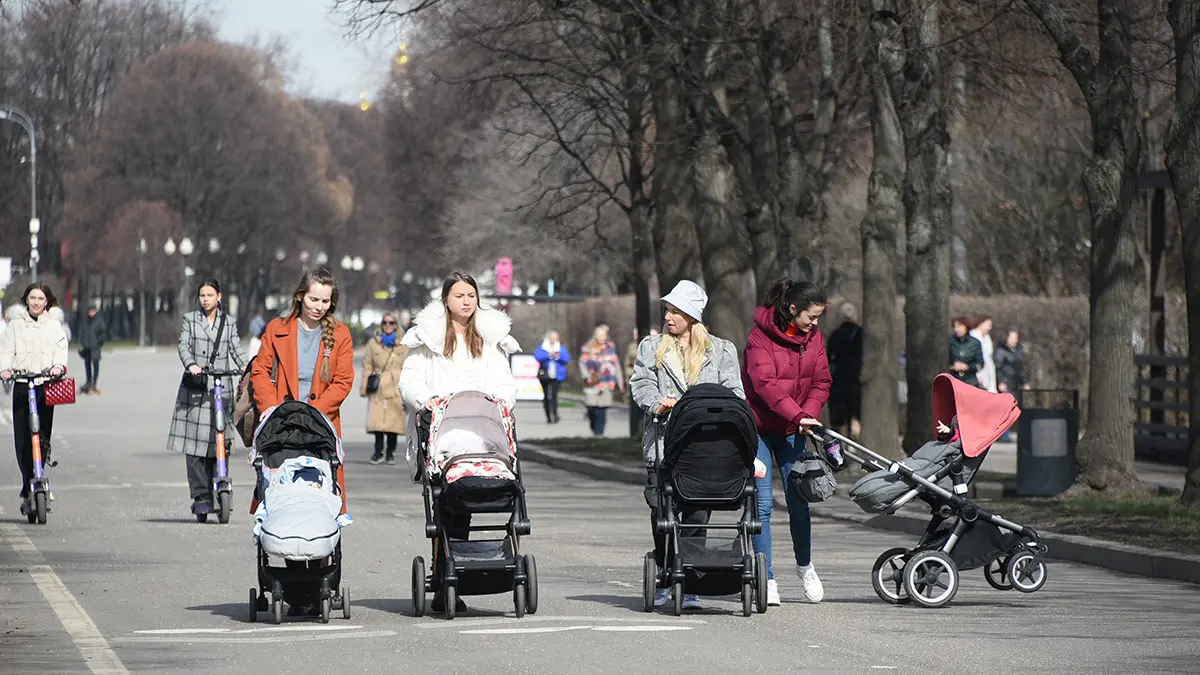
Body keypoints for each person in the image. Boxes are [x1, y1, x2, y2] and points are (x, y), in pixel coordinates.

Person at [399, 270, 520, 614]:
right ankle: (444, 576)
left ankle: (465, 568)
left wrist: (502, 400)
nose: (466, 301)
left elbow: (504, 380)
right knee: (448, 507)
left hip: (482, 436)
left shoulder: (490, 339)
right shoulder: (428, 340)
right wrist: (427, 401)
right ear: (446, 300)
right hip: (442, 434)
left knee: (470, 500)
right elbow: (409, 381)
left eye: (471, 295)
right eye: (459, 296)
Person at [630, 280, 744, 611]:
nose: (668, 316)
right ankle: (667, 572)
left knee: (696, 515)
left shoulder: (721, 351)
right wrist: (657, 403)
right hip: (663, 446)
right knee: (661, 515)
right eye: (667, 309)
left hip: (704, 449)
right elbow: (641, 383)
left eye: (676, 311)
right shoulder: (651, 347)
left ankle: (690, 582)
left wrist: (711, 410)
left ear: (692, 317)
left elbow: (735, 393)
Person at [742, 278, 832, 607]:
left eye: (819, 317)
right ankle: (766, 576)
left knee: (799, 500)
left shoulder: (814, 338)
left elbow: (822, 381)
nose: (815, 323)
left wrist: (806, 415)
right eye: (811, 316)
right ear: (792, 309)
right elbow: (764, 384)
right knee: (762, 506)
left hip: (795, 428)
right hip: (761, 428)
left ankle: (805, 566)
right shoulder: (759, 339)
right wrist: (797, 415)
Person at [251, 268, 356, 513]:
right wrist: (272, 411)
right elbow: (260, 372)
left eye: (325, 301)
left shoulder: (340, 334)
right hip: (282, 425)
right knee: (281, 491)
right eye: (313, 299)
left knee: (321, 491)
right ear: (299, 296)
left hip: (320, 425)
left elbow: (343, 381)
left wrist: (312, 415)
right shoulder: (277, 329)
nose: (319, 306)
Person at [166, 278, 249, 517]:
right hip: (197, 389)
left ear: (219, 297)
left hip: (221, 389)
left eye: (210, 295)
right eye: (202, 295)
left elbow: (235, 348)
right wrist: (191, 364)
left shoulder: (228, 322)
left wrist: (246, 367)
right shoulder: (190, 321)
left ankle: (218, 486)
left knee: (219, 442)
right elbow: (183, 346)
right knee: (195, 445)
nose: (205, 299)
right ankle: (201, 496)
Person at [0, 284, 69, 516]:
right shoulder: (15, 326)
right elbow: (5, 351)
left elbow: (61, 349)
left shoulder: (54, 326)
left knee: (42, 436)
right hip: (22, 385)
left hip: (44, 385)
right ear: (26, 300)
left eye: (41, 298)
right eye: (32, 298)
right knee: (23, 439)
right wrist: (5, 369)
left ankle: (38, 474)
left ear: (47, 301)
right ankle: (28, 480)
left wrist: (59, 366)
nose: (36, 302)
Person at [361, 311, 408, 465]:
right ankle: (378, 452)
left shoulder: (403, 344)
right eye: (385, 323)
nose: (388, 326)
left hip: (395, 386)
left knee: (392, 422)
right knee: (377, 422)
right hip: (378, 385)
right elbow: (367, 365)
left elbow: (409, 367)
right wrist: (365, 387)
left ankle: (390, 453)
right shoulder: (373, 343)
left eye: (391, 323)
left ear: (396, 325)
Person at [579, 322, 625, 436]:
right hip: (592, 383)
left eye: (603, 335)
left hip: (606, 383)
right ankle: (593, 425)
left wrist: (620, 382)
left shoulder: (610, 347)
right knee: (592, 408)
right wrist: (587, 376)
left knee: (602, 410)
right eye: (599, 335)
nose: (601, 338)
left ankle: (599, 434)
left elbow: (616, 365)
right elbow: (582, 363)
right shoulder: (587, 347)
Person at [825, 303, 862, 441]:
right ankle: (854, 439)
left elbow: (829, 356)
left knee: (839, 416)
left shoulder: (836, 334)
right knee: (855, 412)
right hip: (856, 379)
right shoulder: (861, 333)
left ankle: (839, 443)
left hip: (838, 381)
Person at [534, 331, 570, 424]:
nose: (553, 340)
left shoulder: (560, 348)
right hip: (545, 375)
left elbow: (567, 359)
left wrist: (558, 356)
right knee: (546, 395)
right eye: (552, 338)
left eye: (555, 338)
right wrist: (549, 355)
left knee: (554, 396)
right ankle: (548, 416)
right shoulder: (543, 347)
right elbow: (537, 356)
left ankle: (555, 414)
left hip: (557, 376)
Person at [949, 316, 985, 388]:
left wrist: (967, 367)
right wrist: (952, 366)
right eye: (955, 327)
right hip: (953, 381)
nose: (957, 329)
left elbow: (980, 364)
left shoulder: (975, 343)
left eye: (959, 326)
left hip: (970, 382)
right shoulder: (950, 342)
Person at [78, 306, 107, 395]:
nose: (91, 313)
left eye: (93, 311)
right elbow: (82, 332)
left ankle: (94, 383)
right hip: (87, 347)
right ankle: (88, 381)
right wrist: (82, 341)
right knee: (87, 365)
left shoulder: (99, 321)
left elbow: (103, 333)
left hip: (95, 347)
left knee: (95, 365)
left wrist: (99, 343)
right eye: (90, 311)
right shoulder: (86, 321)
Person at [970, 316, 997, 393]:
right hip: (978, 370)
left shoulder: (987, 337)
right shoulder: (973, 336)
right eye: (988, 325)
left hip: (988, 368)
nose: (989, 328)